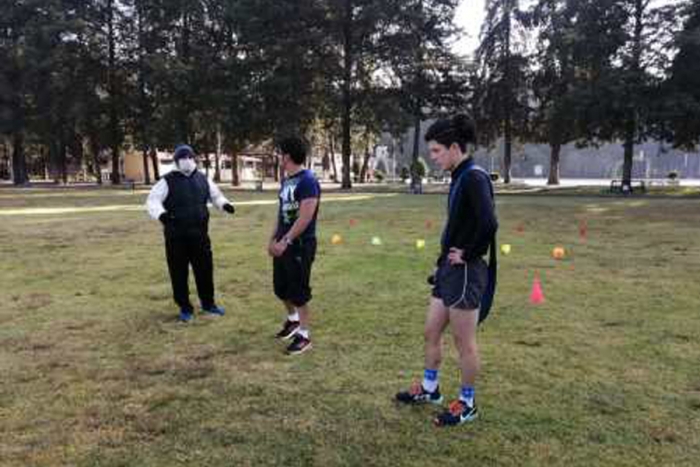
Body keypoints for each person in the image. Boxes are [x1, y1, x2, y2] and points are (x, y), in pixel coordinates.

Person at [395, 114, 498, 427]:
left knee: (464, 343)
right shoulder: (459, 175)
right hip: (447, 271)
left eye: (437, 151)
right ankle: (430, 389)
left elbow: (489, 224)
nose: (433, 157)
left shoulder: (475, 177)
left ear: (455, 147)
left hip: (466, 272)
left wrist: (466, 253)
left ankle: (467, 403)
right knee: (431, 331)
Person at [146, 144, 235, 323]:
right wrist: (162, 215)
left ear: (193, 159)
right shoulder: (167, 181)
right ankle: (184, 307)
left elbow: (215, 196)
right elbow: (153, 201)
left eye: (189, 157)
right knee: (178, 272)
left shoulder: (203, 179)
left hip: (200, 234)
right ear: (177, 161)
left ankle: (208, 303)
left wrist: (224, 204)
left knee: (205, 269)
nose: (186, 161)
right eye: (182, 158)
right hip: (176, 236)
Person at [268, 137, 321, 355]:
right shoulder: (286, 180)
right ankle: (293, 321)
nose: (279, 156)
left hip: (299, 244)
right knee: (281, 288)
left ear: (288, 156)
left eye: (281, 153)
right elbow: (281, 214)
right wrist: (272, 239)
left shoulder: (308, 180)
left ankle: (304, 335)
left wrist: (286, 241)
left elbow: (306, 216)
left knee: (298, 292)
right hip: (283, 242)